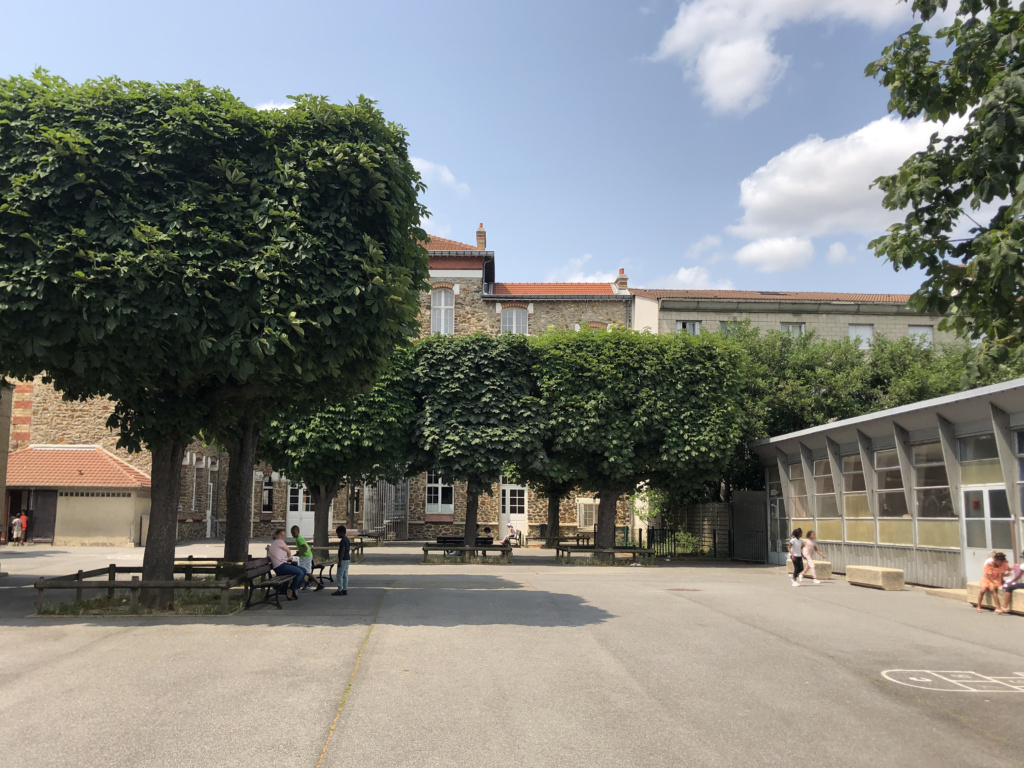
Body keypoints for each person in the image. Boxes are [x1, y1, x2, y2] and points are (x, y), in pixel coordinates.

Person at [268, 529, 305, 600]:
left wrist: (287, 558)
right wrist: (289, 556)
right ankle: (291, 589)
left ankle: (295, 589)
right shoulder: (278, 541)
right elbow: (288, 551)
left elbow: (282, 555)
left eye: (284, 535)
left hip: (282, 565)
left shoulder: (275, 543)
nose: (283, 537)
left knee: (304, 570)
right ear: (276, 535)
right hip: (280, 566)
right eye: (281, 535)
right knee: (300, 572)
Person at [291, 525, 323, 592]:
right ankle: (319, 584)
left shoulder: (299, 539)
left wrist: (299, 555)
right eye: (292, 533)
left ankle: (307, 583)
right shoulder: (299, 538)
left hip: (305, 557)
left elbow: (305, 548)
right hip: (308, 555)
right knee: (308, 572)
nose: (293, 535)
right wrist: (297, 554)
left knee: (298, 571)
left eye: (294, 533)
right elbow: (302, 548)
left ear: (298, 532)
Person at [332, 525, 351, 597]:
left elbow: (342, 550)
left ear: (342, 533)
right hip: (347, 558)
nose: (337, 535)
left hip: (343, 559)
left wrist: (340, 561)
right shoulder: (347, 540)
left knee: (339, 575)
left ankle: (340, 589)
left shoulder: (342, 541)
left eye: (338, 534)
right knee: (345, 574)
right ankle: (345, 589)